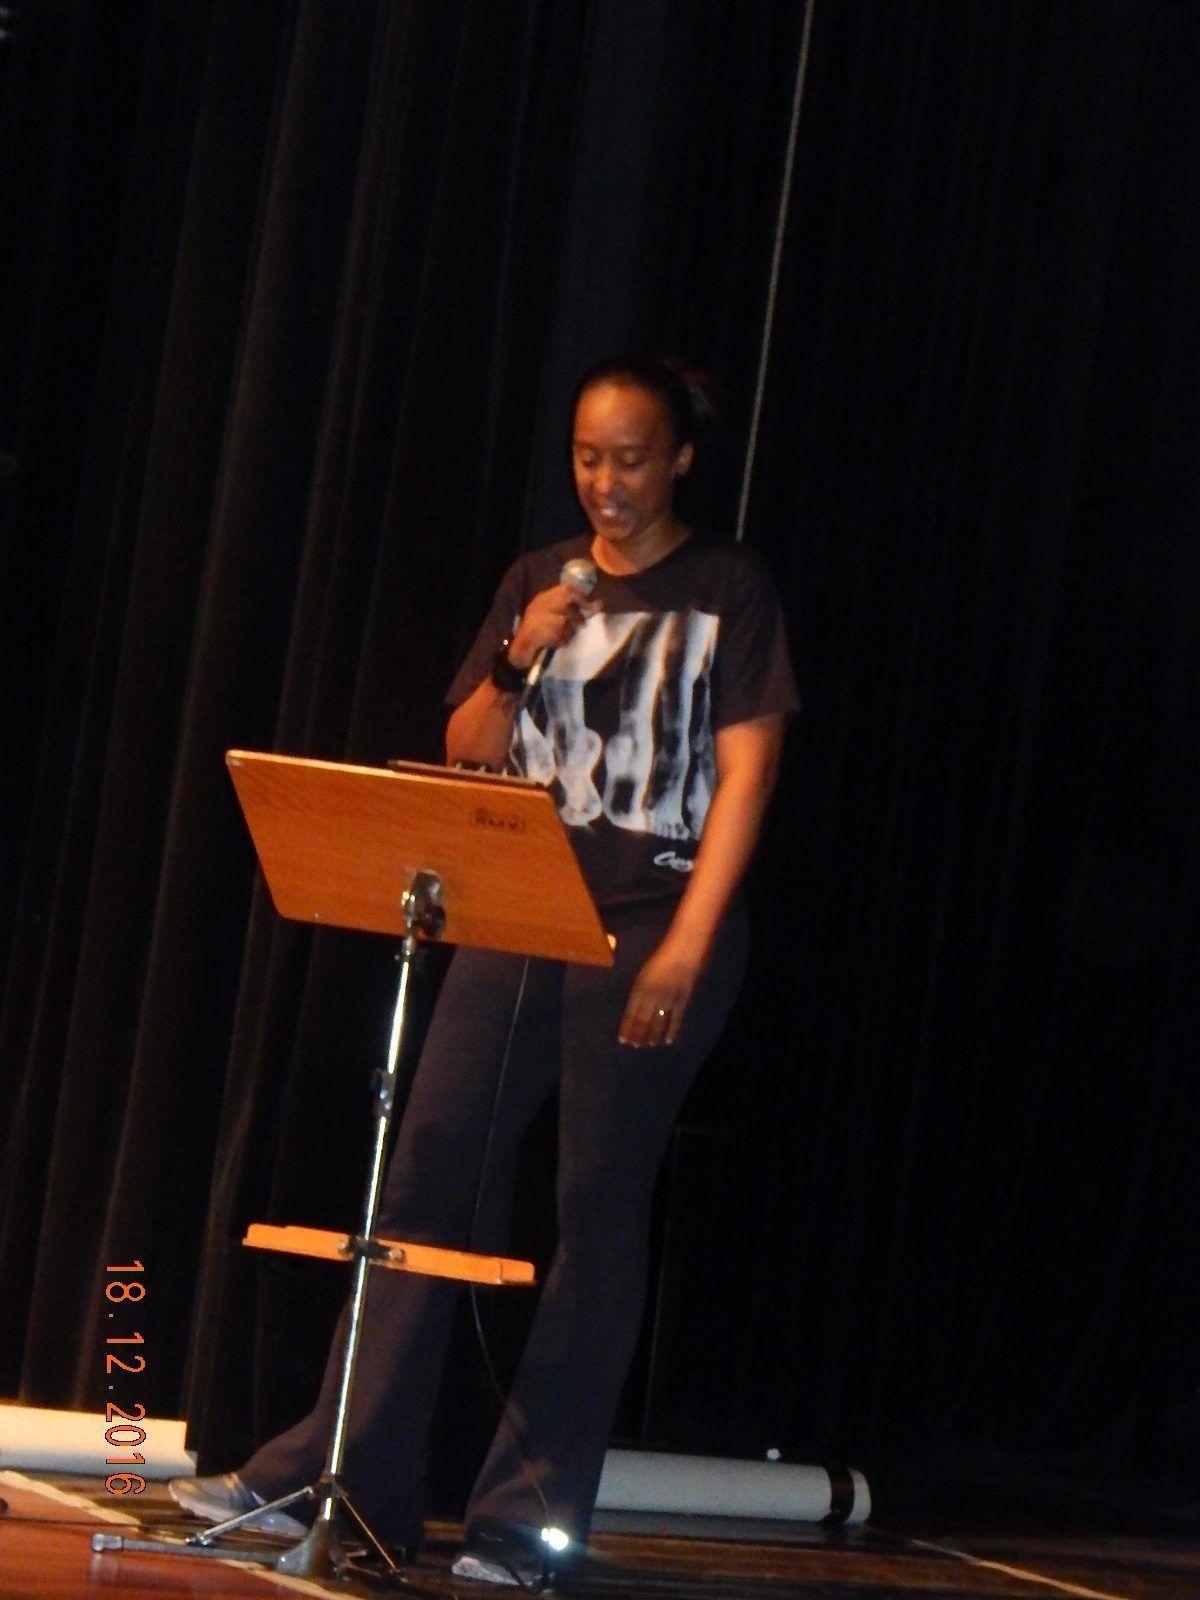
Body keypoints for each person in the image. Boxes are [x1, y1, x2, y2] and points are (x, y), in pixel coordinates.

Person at [170, 353, 799, 1585]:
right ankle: (341, 1472)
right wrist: (519, 654)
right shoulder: (538, 580)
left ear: (679, 460)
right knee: (422, 1182)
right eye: (587, 457)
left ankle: (524, 1517)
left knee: (595, 1215)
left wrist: (687, 942)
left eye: (630, 459)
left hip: (651, 921)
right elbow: (465, 748)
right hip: (517, 912)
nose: (605, 482)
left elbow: (749, 776)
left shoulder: (729, 587)